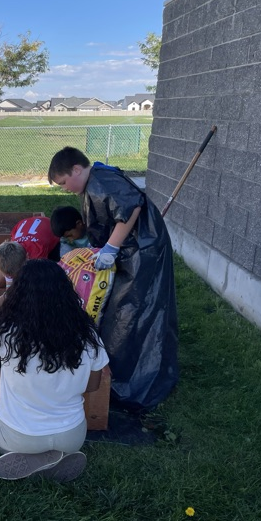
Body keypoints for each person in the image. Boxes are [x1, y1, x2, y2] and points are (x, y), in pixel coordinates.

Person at [48, 146, 178, 412]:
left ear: (76, 169)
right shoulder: (93, 183)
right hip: (133, 253)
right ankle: (119, 371)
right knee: (123, 311)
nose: (64, 188)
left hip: (142, 254)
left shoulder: (102, 180)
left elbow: (130, 208)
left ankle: (134, 381)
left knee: (130, 312)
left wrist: (111, 248)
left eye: (63, 182)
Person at [0, 259, 108, 481]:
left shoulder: (8, 335)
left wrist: (5, 298)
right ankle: (55, 457)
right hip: (73, 435)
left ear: (19, 296)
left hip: (22, 436)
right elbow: (93, 386)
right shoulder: (88, 335)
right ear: (65, 292)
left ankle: (33, 460)